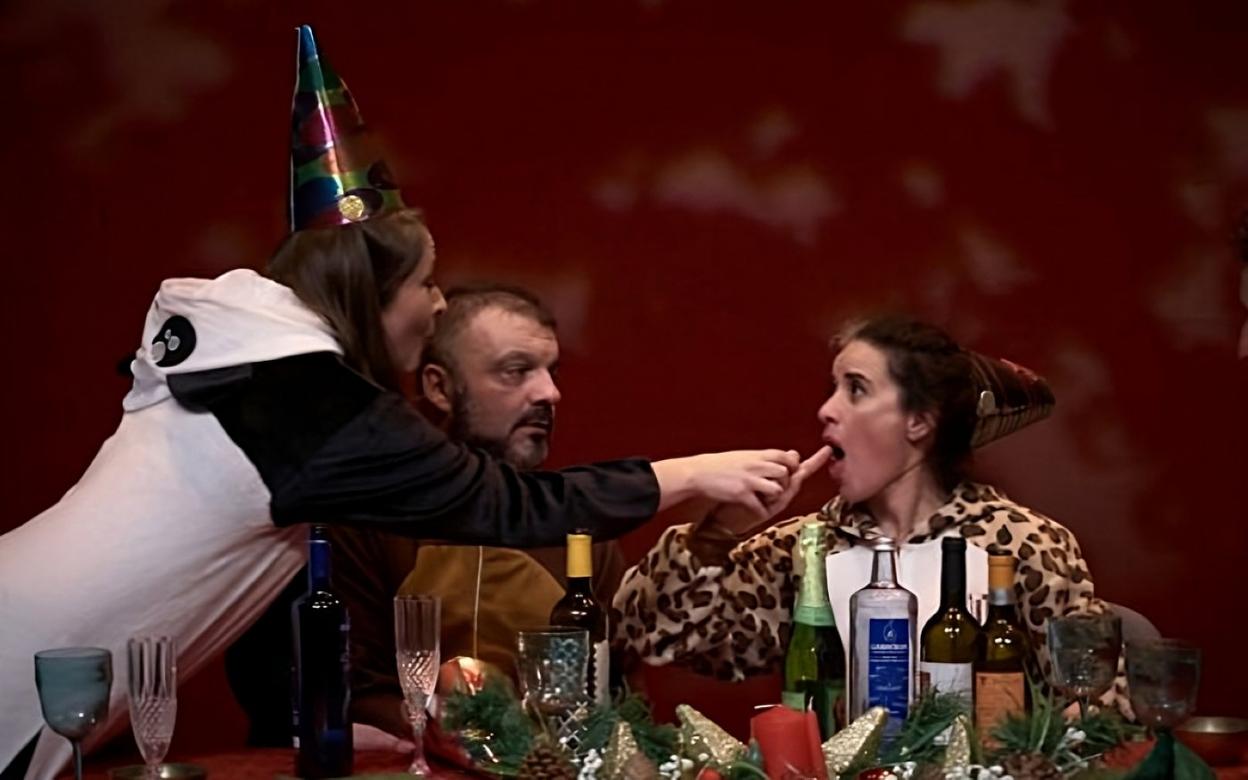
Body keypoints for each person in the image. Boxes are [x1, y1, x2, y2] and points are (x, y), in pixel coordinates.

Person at [0, 26, 807, 780]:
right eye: (425, 282)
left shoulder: (257, 381)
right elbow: (510, 506)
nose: (437, 303)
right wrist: (695, 473)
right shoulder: (307, 401)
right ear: (372, 293)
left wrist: (334, 720)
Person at [612, 314, 1131, 716]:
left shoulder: (1021, 542)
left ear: (919, 422)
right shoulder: (806, 547)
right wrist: (718, 532)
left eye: (856, 389)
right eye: (833, 389)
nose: (827, 410)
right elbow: (652, 638)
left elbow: (1102, 694)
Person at [226, 283, 628, 742]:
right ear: (439, 387)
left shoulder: (578, 531)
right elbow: (343, 692)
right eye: (516, 371)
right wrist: (458, 736)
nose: (549, 393)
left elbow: (618, 701)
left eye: (551, 372)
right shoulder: (366, 519)